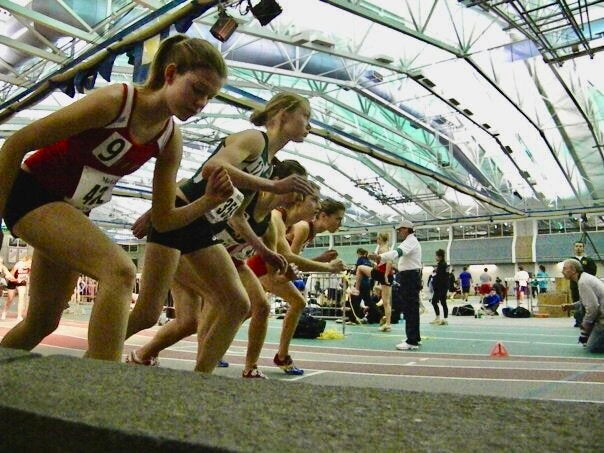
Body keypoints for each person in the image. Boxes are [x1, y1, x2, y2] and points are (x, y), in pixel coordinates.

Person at [0, 34, 229, 360]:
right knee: (119, 271)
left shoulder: (169, 138)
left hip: (73, 211)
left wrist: (208, 201)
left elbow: (163, 220)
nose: (201, 102)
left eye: (209, 97)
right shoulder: (115, 101)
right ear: (170, 74)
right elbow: (15, 144)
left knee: (42, 322)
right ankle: (102, 389)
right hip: (31, 193)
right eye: (197, 89)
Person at [125, 91, 315, 373]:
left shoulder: (268, 163)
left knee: (239, 304)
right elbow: (212, 168)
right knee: (148, 313)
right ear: (283, 114)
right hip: (180, 214)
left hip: (201, 226)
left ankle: (202, 378)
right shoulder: (254, 139)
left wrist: (266, 252)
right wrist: (273, 187)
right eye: (306, 116)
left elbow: (237, 213)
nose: (310, 125)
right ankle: (97, 351)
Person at [248, 197, 346, 374]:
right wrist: (327, 266)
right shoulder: (302, 227)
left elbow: (291, 261)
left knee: (247, 309)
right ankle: (282, 356)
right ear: (324, 216)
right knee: (296, 302)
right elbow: (289, 259)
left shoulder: (309, 231)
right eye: (338, 218)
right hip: (262, 263)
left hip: (269, 264)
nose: (340, 223)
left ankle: (218, 342)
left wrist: (321, 261)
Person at [371, 219, 422, 351]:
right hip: (410, 276)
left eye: (400, 229)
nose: (399, 232)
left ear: (406, 229)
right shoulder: (410, 241)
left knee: (409, 309)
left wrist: (380, 257)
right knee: (412, 309)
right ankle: (414, 337)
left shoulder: (409, 241)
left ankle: (411, 341)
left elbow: (396, 253)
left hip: (410, 277)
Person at [561, 259, 604, 353]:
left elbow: (592, 308)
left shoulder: (583, 282)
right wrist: (571, 306)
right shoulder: (585, 278)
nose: (562, 271)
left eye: (564, 269)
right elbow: (586, 302)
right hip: (601, 315)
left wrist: (585, 325)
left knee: (592, 347)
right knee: (579, 313)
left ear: (573, 270)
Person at [569, 241, 597, 327]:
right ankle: (578, 321)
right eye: (576, 246)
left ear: (583, 248)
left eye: (580, 246)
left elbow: (593, 272)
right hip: (574, 286)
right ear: (574, 248)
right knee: (576, 303)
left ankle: (587, 322)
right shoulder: (570, 260)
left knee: (587, 303)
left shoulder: (589, 260)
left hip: (586, 286)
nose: (578, 248)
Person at [429, 249, 449, 326]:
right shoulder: (443, 264)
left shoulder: (442, 265)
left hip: (440, 288)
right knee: (443, 302)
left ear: (440, 257)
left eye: (436, 256)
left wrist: (435, 285)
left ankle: (439, 318)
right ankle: (444, 319)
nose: (435, 257)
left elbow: (440, 278)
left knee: (434, 301)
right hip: (444, 287)